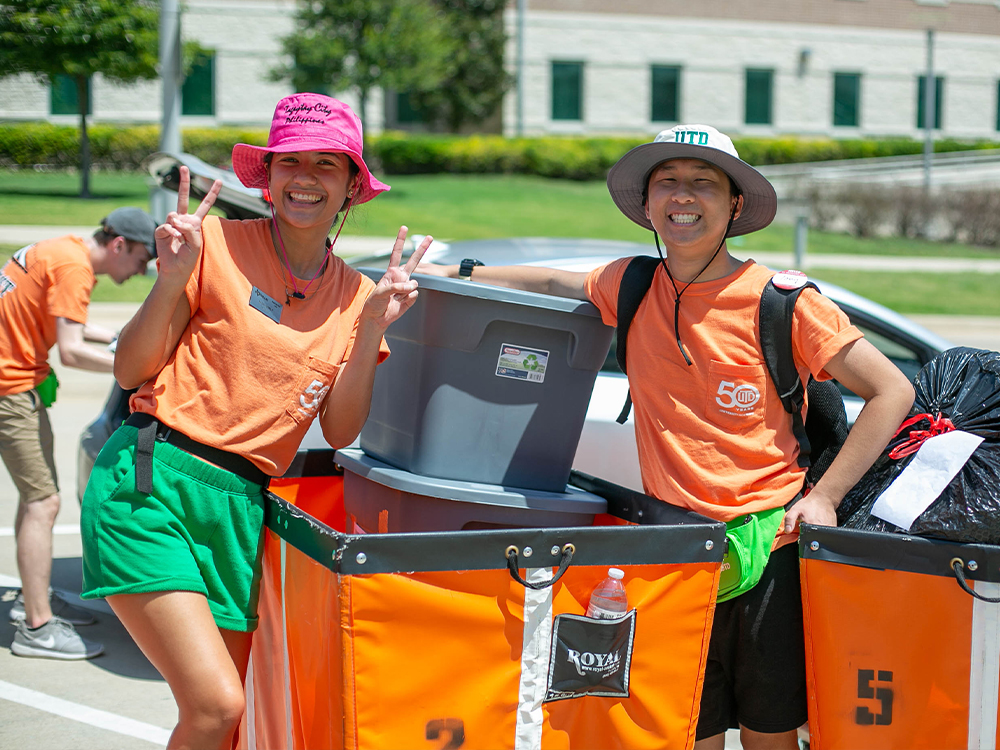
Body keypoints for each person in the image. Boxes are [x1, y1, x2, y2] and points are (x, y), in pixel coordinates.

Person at [418, 125, 915, 750]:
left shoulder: (782, 301)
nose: (684, 196)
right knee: (688, 728)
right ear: (648, 204)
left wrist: (826, 496)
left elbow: (892, 390)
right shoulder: (630, 285)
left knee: (769, 735)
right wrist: (454, 271)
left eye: (704, 182)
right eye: (668, 183)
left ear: (735, 206)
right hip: (677, 551)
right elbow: (549, 284)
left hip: (773, 547)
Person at [79, 93, 430, 750]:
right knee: (216, 705)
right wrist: (170, 278)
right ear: (266, 176)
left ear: (352, 185)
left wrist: (375, 327)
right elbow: (130, 370)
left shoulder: (358, 295)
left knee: (229, 725)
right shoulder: (209, 242)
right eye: (290, 161)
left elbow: (344, 428)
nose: (306, 179)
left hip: (242, 508)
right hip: (151, 483)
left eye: (328, 164)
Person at [1, 207, 156, 660]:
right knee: (43, 503)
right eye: (142, 259)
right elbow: (69, 351)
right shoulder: (75, 269)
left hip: (16, 380)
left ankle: (36, 598)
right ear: (118, 245)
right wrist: (137, 367)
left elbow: (61, 318)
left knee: (36, 499)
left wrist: (114, 337)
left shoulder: (60, 250)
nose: (141, 271)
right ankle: (37, 629)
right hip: (10, 388)